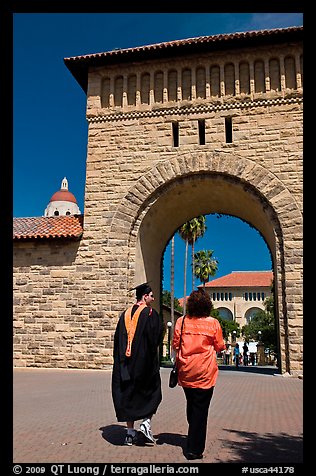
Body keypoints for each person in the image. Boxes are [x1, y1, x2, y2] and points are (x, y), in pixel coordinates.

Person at [172, 289, 226, 460]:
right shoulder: (213, 323)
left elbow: (175, 344)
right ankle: (194, 449)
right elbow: (220, 346)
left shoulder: (181, 322)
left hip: (186, 370)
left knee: (192, 404)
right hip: (205, 371)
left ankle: (193, 432)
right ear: (207, 305)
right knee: (201, 410)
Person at [111, 282, 163, 446]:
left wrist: (120, 363)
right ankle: (146, 422)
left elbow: (117, 341)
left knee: (129, 396)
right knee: (153, 393)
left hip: (125, 365)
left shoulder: (124, 314)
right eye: (152, 296)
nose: (153, 299)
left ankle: (129, 434)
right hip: (144, 365)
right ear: (145, 296)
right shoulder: (150, 314)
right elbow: (155, 339)